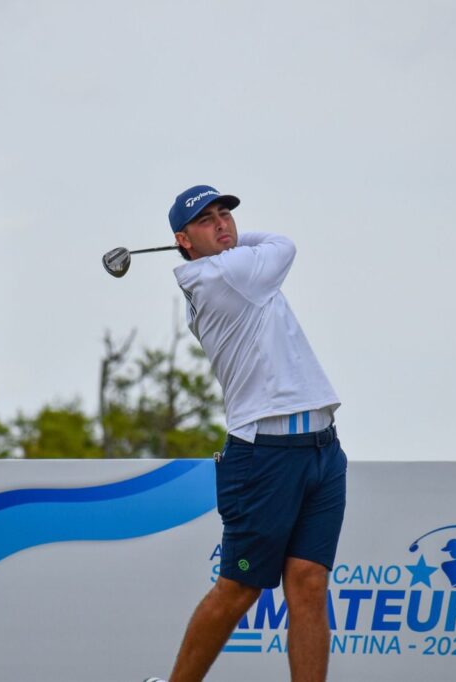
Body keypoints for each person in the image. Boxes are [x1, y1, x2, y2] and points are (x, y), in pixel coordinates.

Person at [152, 185, 348, 682]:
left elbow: (263, 245)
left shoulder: (230, 265)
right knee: (239, 589)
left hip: (323, 449)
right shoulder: (223, 274)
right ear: (183, 241)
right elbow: (283, 243)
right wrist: (229, 244)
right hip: (265, 455)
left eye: (226, 216)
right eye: (206, 221)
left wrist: (217, 238)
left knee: (308, 583)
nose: (223, 225)